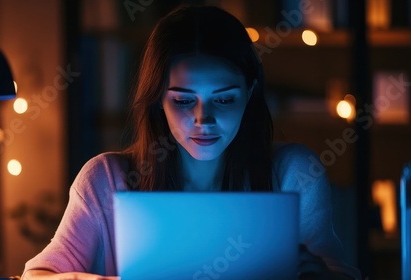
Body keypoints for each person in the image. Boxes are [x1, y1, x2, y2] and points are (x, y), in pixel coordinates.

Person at [22, 5, 361, 280]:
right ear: (158, 100)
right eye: (184, 101)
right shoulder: (105, 179)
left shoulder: (294, 173)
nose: (204, 119)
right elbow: (38, 275)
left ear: (250, 92)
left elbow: (339, 273)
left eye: (224, 100)